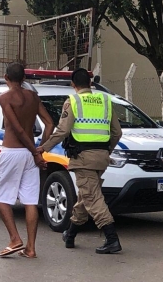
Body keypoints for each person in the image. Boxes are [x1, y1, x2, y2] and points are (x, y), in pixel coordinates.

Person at [38, 68, 124, 254]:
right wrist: (105, 150)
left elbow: (62, 131)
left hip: (83, 158)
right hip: (101, 158)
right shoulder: (105, 100)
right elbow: (117, 133)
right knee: (86, 196)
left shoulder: (73, 101)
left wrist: (43, 148)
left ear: (73, 85)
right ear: (91, 84)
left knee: (92, 198)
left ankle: (112, 238)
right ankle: (70, 233)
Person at [0, 62, 54, 258]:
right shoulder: (33, 97)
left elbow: (17, 129)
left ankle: (15, 239)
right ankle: (31, 248)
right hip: (29, 155)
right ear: (24, 78)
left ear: (6, 77)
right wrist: (39, 149)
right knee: (30, 201)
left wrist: (35, 152)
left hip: (13, 152)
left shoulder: (4, 97)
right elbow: (49, 124)